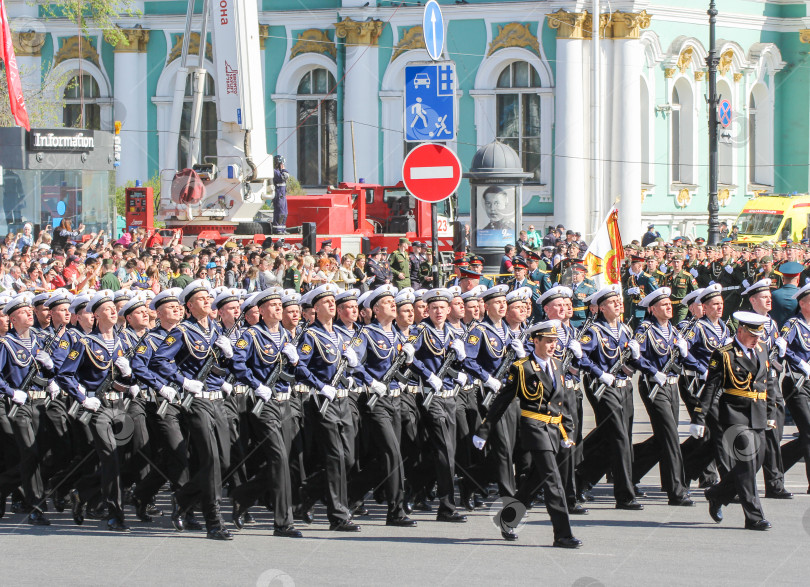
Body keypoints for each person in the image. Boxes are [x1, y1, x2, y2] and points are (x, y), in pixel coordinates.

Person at [473, 320, 582, 548]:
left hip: (555, 429)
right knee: (554, 482)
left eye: (555, 341)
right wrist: (485, 429)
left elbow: (564, 402)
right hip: (534, 428)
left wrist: (568, 431)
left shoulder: (558, 365)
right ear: (536, 341)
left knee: (535, 481)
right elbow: (502, 401)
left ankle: (507, 519)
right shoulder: (522, 368)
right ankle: (562, 534)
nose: (553, 346)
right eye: (549, 341)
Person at [691, 311, 775, 531]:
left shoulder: (762, 349)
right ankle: (754, 517)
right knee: (747, 462)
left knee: (755, 462)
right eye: (752, 334)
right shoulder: (724, 354)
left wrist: (772, 413)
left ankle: (717, 494)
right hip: (734, 414)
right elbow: (711, 387)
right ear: (740, 331)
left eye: (758, 334)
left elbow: (769, 384)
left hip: (757, 413)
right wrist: (699, 417)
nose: (756, 338)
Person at [273, 155, 290, 234]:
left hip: (282, 195)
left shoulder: (279, 171)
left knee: (284, 212)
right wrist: (284, 169)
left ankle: (282, 228)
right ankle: (278, 229)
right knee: (280, 212)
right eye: (282, 163)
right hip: (279, 195)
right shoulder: (275, 172)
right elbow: (284, 177)